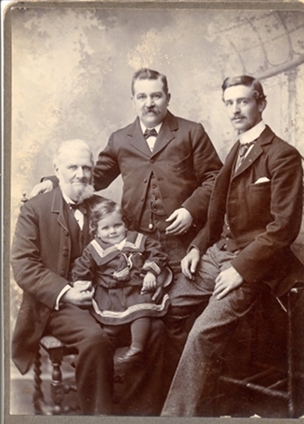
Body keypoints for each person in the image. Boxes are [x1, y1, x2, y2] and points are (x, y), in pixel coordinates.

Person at [161, 75, 304, 417]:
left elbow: (283, 229)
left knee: (201, 334)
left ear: (261, 103)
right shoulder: (237, 148)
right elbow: (218, 211)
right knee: (167, 308)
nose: (235, 109)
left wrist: (241, 270)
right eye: (229, 102)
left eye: (243, 101)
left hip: (256, 263)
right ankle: (206, 394)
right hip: (217, 253)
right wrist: (196, 246)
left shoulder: (282, 155)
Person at [11, 139, 168, 416]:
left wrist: (150, 273)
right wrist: (66, 292)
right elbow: (24, 265)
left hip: (110, 297)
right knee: (95, 339)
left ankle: (140, 416)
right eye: (72, 167)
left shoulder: (104, 207)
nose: (80, 174)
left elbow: (135, 246)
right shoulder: (34, 209)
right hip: (58, 305)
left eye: (86, 167)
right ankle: (99, 422)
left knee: (155, 330)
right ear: (57, 169)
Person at [32, 68, 222, 276]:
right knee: (139, 296)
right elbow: (96, 177)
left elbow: (216, 179)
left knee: (181, 298)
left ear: (168, 98)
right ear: (133, 101)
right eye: (142, 97)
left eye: (156, 96)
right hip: (135, 240)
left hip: (183, 238)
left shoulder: (191, 132)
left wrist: (190, 210)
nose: (149, 103)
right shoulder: (120, 139)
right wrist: (54, 182)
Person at [71, 197, 170, 366]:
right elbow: (82, 267)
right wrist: (81, 282)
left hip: (136, 289)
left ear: (125, 224)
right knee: (109, 327)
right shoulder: (94, 249)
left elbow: (158, 254)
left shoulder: (138, 240)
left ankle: (136, 348)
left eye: (117, 225)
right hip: (110, 293)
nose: (112, 231)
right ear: (96, 231)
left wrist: (151, 273)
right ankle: (91, 355)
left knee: (141, 313)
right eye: (105, 228)